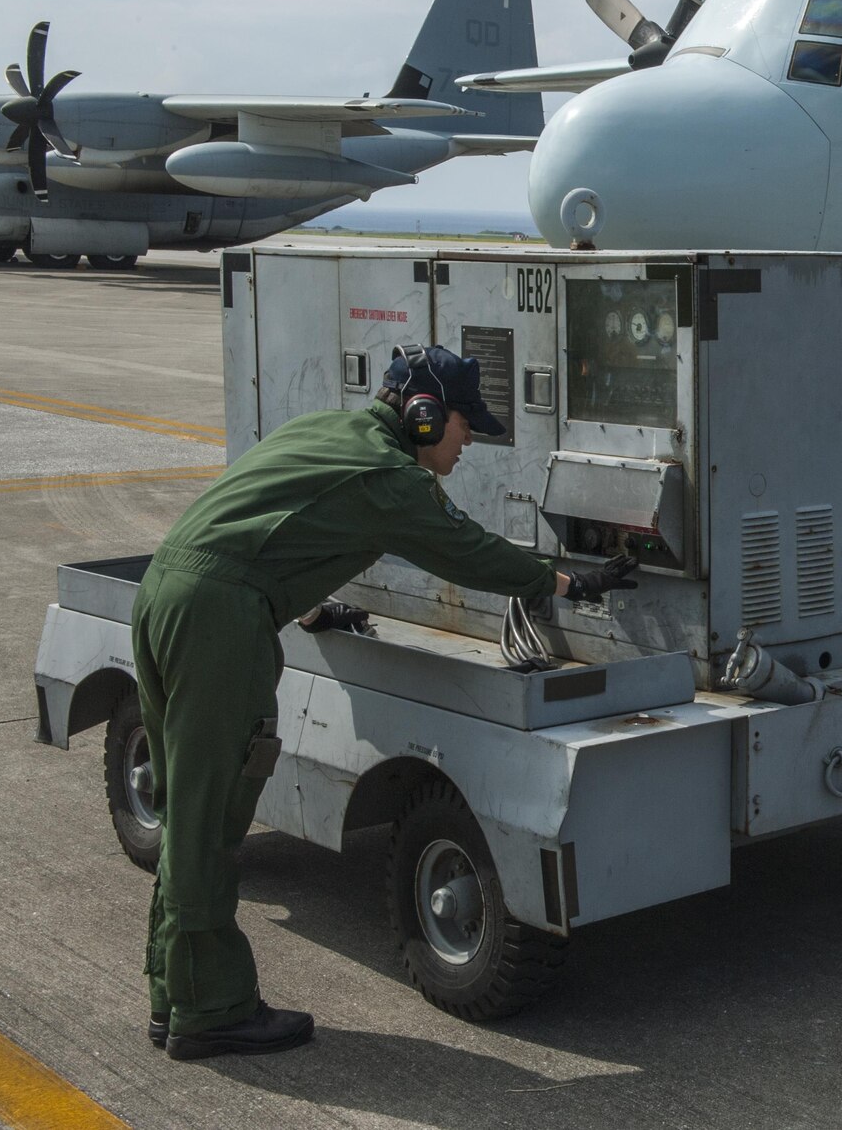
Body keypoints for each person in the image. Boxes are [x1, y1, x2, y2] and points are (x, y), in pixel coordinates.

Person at [130, 343, 635, 1060]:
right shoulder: (390, 477)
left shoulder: (328, 434)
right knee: (207, 820)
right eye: (467, 426)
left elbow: (275, 519)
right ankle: (210, 1010)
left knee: (187, 806)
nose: (470, 444)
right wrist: (565, 584)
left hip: (166, 595)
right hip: (217, 621)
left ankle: (173, 993)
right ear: (426, 416)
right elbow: (466, 549)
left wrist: (309, 607)